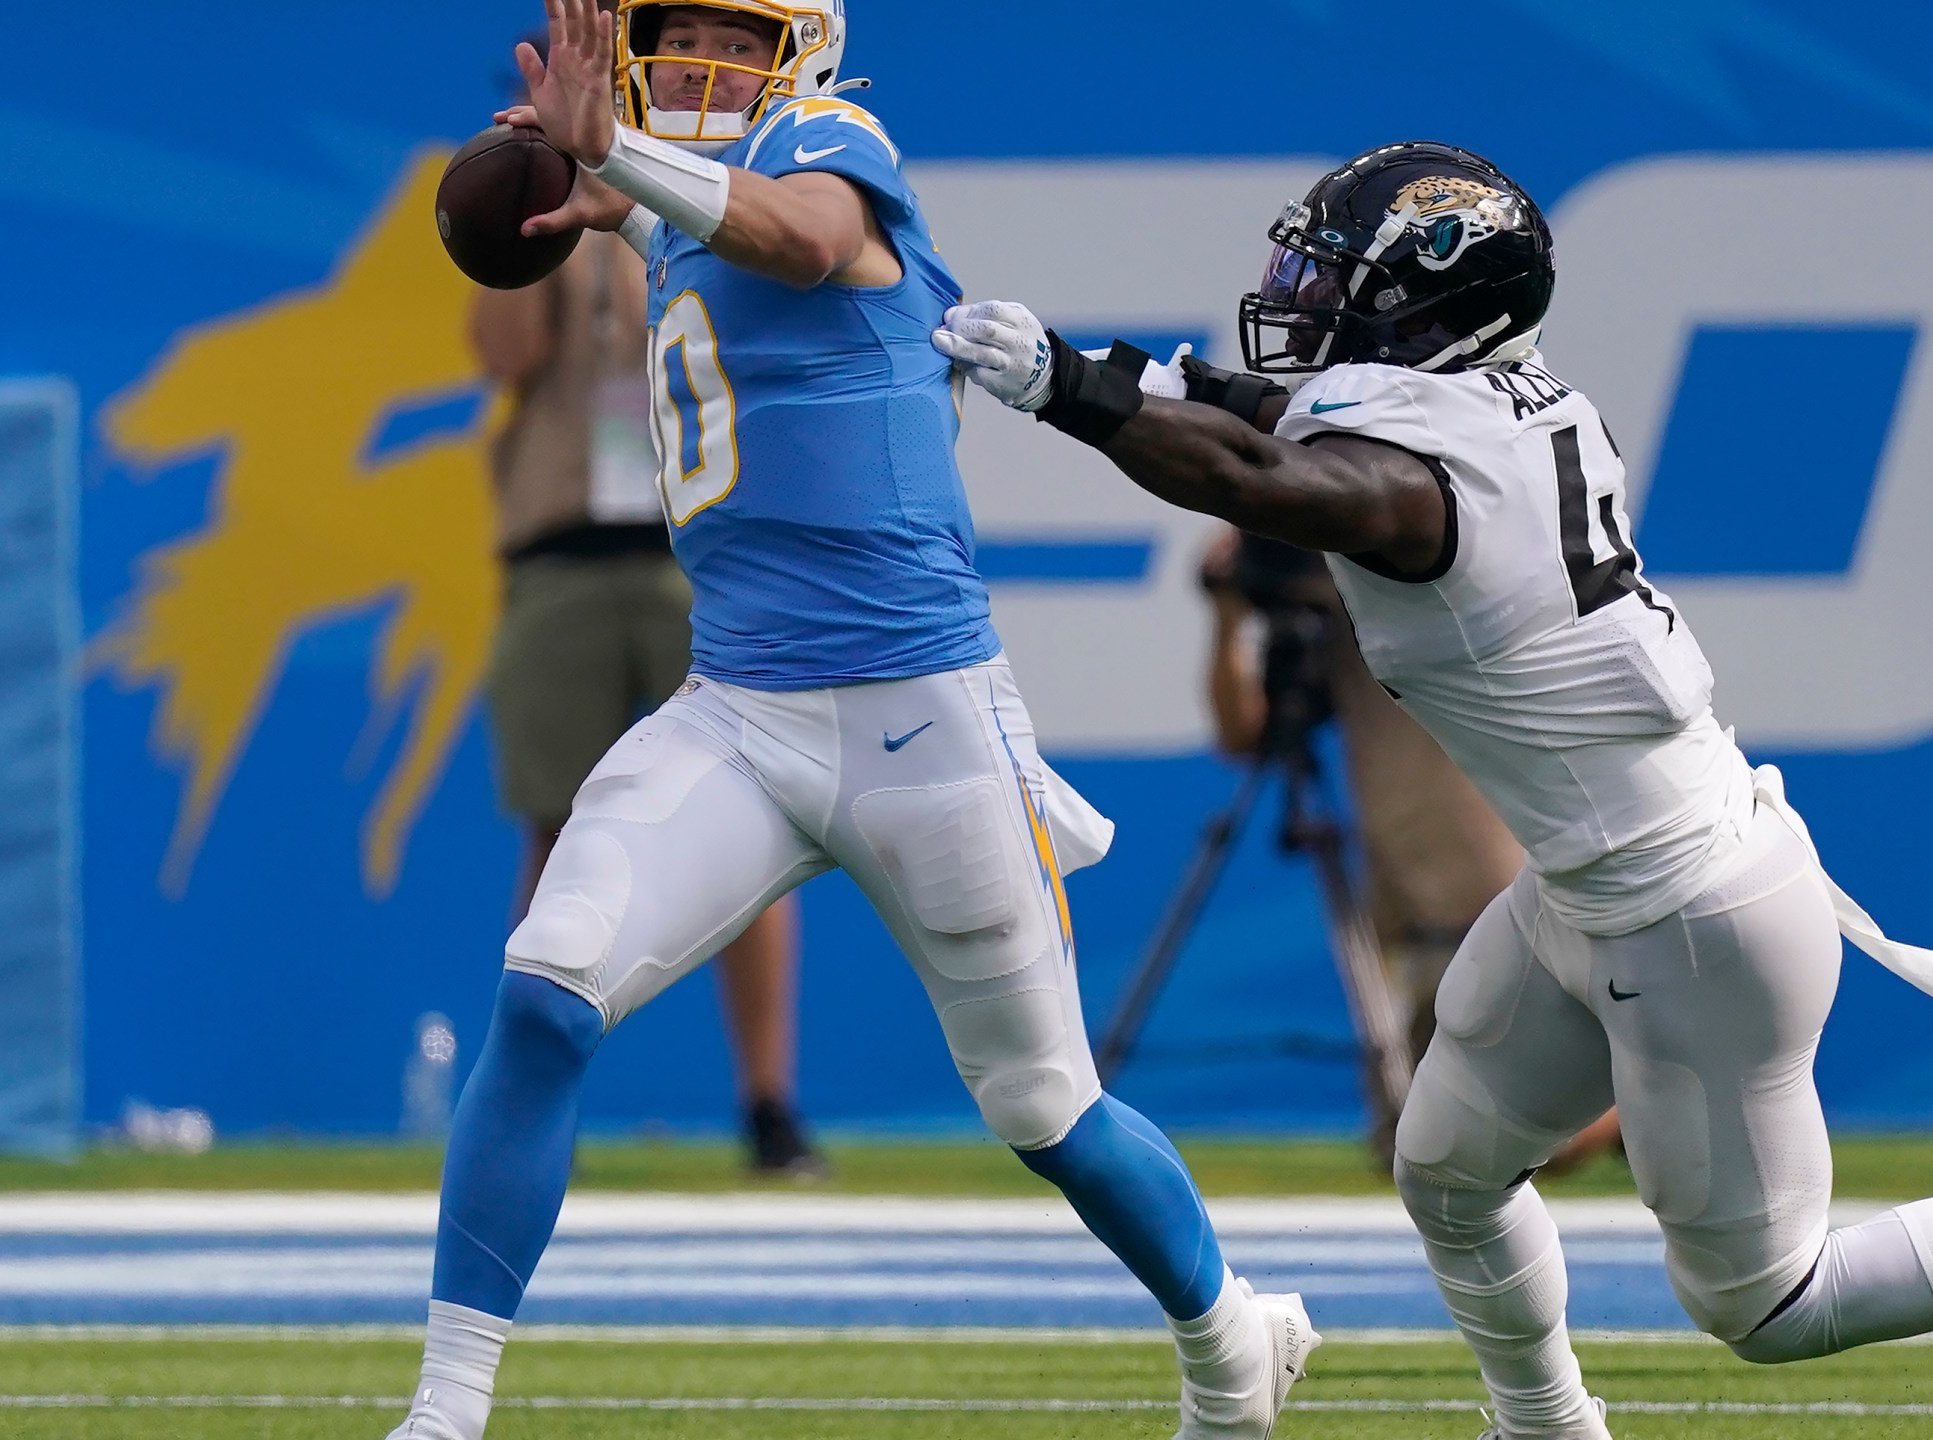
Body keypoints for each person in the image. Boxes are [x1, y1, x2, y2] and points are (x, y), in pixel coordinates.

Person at [935, 140, 1933, 1438]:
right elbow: (1271, 419)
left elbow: (1274, 476)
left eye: (1336, 276)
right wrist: (1117, 369)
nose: (1299, 294)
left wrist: (1079, 393)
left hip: (1688, 906)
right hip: (1595, 879)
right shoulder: (1498, 402)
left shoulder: (1414, 476)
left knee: (1765, 1305)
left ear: (1430, 308)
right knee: (1444, 1171)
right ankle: (1548, 1426)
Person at [384, 4, 1318, 1438]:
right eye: (669, 40)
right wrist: (580, 187)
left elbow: (804, 241)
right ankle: (444, 1414)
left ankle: (1226, 1339)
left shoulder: (833, 148)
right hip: (739, 712)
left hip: (921, 720)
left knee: (1044, 1110)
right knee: (542, 990)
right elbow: (646, 232)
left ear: (799, 56)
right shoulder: (665, 207)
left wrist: (619, 156)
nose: (696, 67)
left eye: (728, 42)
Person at [468, 37, 819, 1175]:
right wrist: (531, 206)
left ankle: (768, 1102)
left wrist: (640, 189)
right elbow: (502, 354)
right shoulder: (554, 199)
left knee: (748, 834)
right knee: (557, 826)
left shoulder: (717, 195)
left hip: (694, 547)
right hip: (562, 548)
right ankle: (528, 1095)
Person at [1200, 528, 1524, 1072]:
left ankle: (1618, 1121)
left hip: (1488, 892)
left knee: (1507, 1127)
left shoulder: (1441, 602)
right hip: (1396, 903)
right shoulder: (1339, 635)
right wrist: (1230, 614)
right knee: (1408, 1134)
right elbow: (1244, 735)